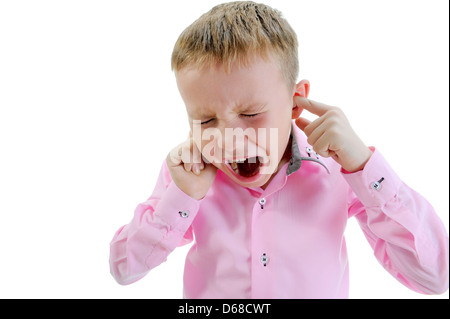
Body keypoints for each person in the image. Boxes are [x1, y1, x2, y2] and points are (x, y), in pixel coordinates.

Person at [109, 1, 448, 298]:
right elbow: (125, 269)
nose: (229, 139)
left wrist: (364, 167)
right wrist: (182, 197)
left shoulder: (339, 172)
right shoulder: (186, 175)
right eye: (206, 119)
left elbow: (434, 277)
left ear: (295, 103)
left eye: (251, 114)